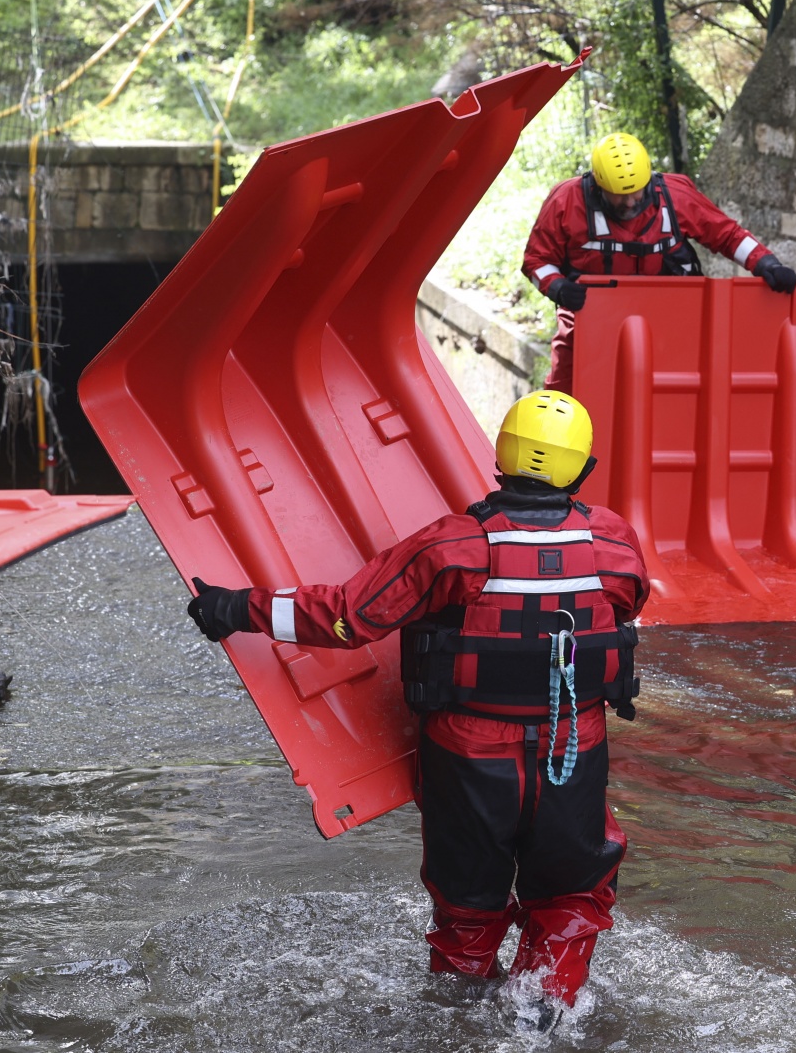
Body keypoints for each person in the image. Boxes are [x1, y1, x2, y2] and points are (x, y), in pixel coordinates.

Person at [185, 391, 648, 1033]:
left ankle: (456, 1026)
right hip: (572, 750)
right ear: (582, 467)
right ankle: (544, 1017)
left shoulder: (451, 546)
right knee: (571, 895)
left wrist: (235, 609)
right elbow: (625, 612)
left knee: (467, 909)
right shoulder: (615, 541)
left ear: (502, 455)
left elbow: (347, 615)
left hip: (468, 757)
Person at [522, 131, 796, 393]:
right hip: (588, 318)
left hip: (671, 317)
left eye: (637, 192)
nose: (630, 202)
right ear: (598, 185)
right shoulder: (566, 202)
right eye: (619, 194)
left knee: (679, 389)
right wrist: (558, 288)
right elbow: (536, 259)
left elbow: (726, 235)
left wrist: (766, 264)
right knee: (564, 390)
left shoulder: (675, 196)